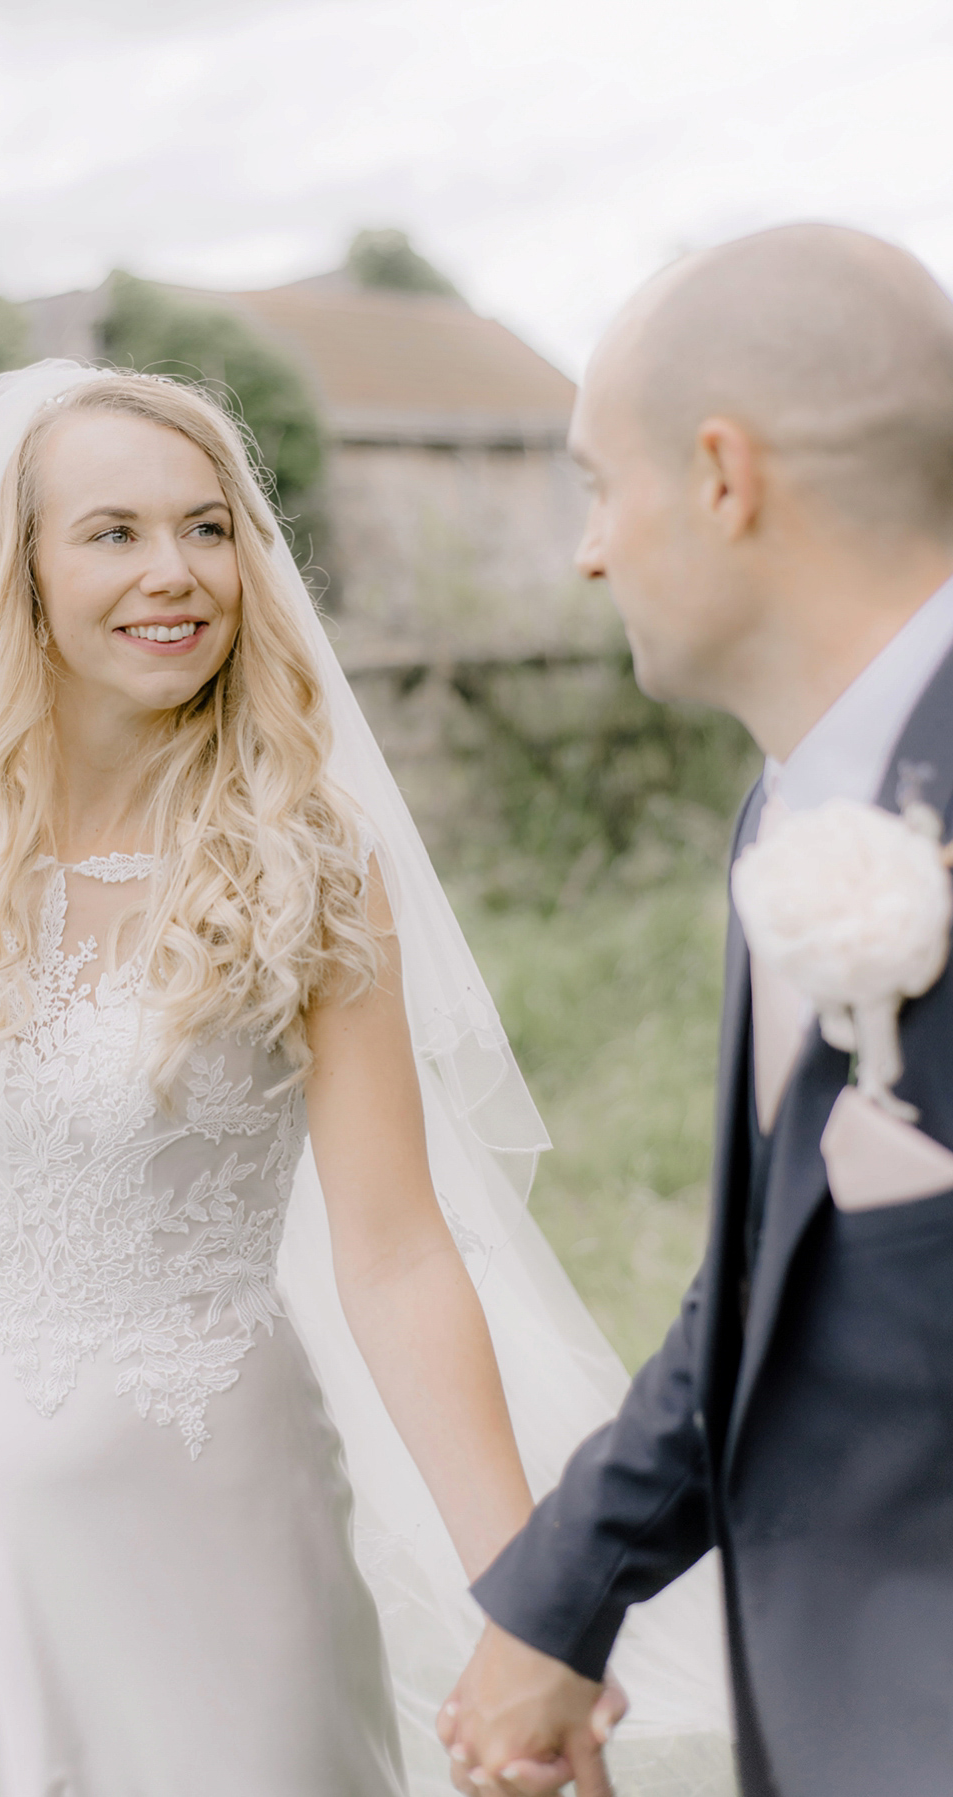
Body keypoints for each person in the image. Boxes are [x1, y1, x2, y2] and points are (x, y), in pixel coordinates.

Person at [0, 366, 728, 1797]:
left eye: (209, 528)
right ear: (19, 572)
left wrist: (525, 1595)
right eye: (112, 533)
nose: (175, 573)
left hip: (216, 1500)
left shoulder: (303, 856)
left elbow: (400, 1253)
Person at [440, 223, 953, 1797]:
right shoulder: (790, 812)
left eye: (599, 485)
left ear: (724, 476)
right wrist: (559, 1600)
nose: (587, 551)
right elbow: (772, 1287)